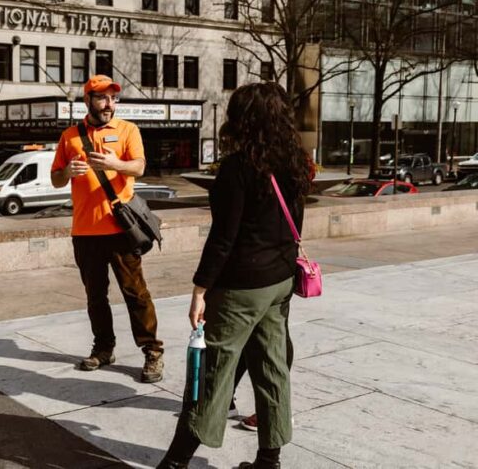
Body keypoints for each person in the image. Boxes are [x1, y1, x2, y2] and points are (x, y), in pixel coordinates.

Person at [158, 82, 312, 469]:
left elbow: (223, 237)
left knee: (210, 376)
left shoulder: (238, 168)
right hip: (280, 281)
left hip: (243, 285)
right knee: (272, 368)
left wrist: (200, 289)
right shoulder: (295, 161)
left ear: (243, 120)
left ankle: (175, 464)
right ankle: (268, 460)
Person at [51, 74, 164, 383]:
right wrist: (67, 172)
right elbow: (56, 178)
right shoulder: (70, 136)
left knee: (135, 293)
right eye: (102, 98)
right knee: (95, 297)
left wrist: (116, 164)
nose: (109, 104)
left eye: (113, 98)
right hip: (85, 233)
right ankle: (103, 349)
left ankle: (152, 352)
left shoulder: (128, 130)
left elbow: (139, 167)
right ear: (88, 100)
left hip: (120, 230)